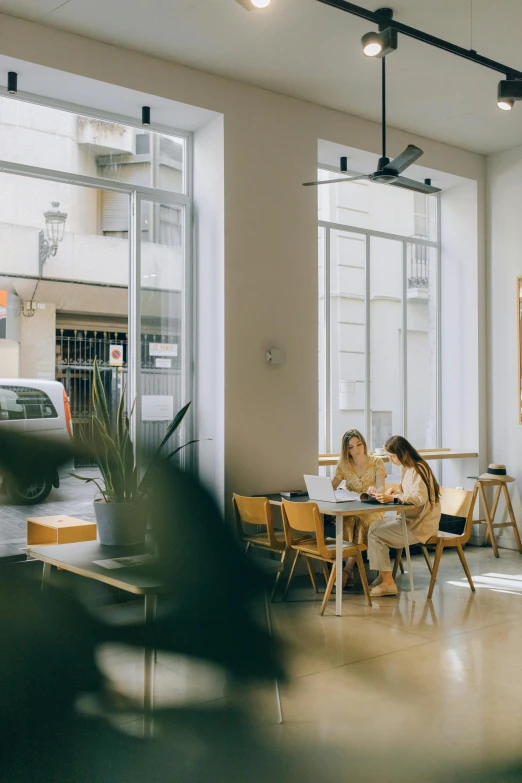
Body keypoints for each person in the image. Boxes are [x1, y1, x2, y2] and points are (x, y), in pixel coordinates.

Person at [368, 435, 441, 597]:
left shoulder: (419, 469)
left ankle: (388, 583)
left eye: (392, 456)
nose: (390, 459)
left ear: (402, 453)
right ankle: (383, 574)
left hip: (420, 525)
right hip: (408, 519)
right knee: (373, 527)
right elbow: (410, 493)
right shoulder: (407, 469)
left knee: (375, 534)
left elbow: (419, 498)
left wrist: (394, 498)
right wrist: (397, 492)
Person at [332, 429, 387, 588]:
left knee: (363, 524)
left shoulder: (376, 462)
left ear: (363, 443)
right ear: (346, 450)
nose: (356, 450)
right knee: (347, 522)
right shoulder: (343, 465)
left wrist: (377, 491)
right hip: (351, 509)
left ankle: (347, 569)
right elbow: (332, 486)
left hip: (373, 509)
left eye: (359, 444)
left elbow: (382, 487)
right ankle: (350, 567)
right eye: (351, 447)